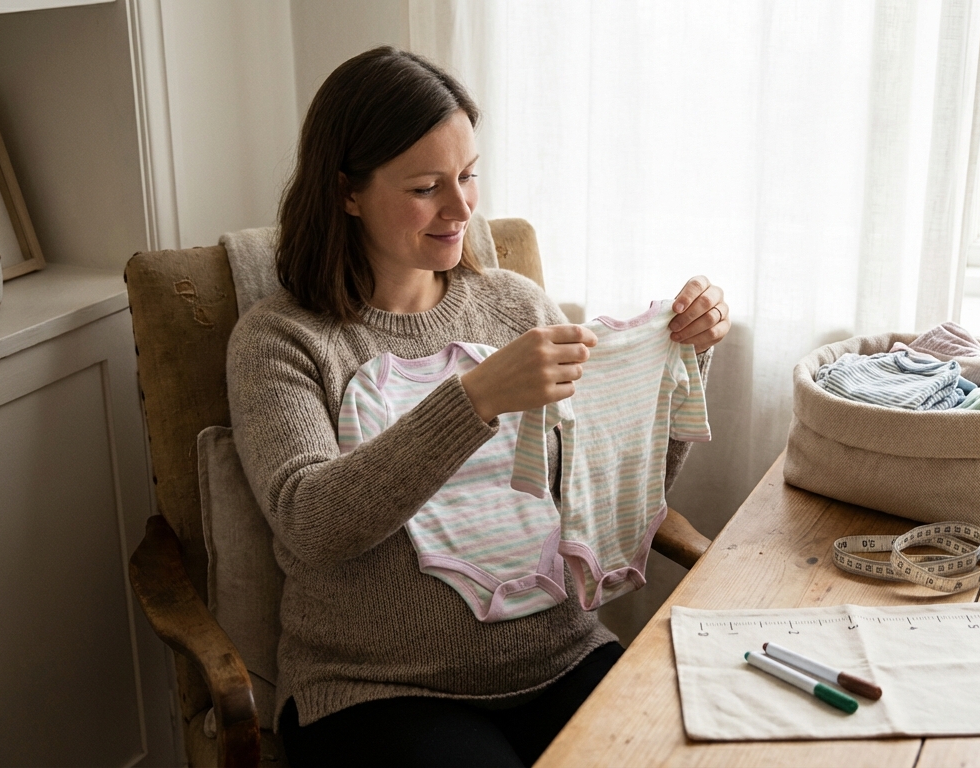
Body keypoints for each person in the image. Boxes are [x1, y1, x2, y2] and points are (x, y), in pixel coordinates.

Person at [226, 46, 731, 766]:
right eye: (428, 187)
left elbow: (604, 486)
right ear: (347, 191)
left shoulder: (514, 305)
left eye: (468, 176)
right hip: (378, 693)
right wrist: (477, 398)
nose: (463, 209)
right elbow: (312, 522)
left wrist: (685, 356)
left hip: (560, 658)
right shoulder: (281, 340)